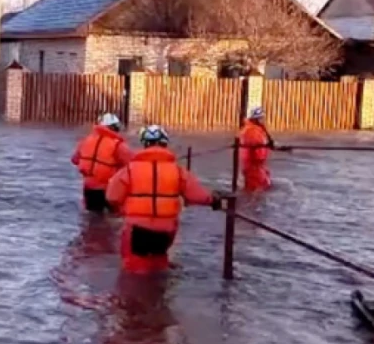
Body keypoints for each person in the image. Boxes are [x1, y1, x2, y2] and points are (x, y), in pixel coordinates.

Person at [105, 125, 223, 274]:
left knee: (133, 271)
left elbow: (111, 196)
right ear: (165, 144)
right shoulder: (178, 171)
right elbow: (197, 195)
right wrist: (213, 200)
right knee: (159, 266)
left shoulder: (128, 170)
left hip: (136, 231)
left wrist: (122, 208)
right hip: (165, 231)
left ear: (145, 144)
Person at [71, 113, 133, 213]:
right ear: (114, 128)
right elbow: (132, 165)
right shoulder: (118, 145)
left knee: (92, 217)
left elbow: (75, 160)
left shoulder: (86, 141)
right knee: (112, 219)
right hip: (109, 188)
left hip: (88, 188)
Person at [238, 107, 275, 192]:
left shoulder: (253, 129)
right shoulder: (253, 131)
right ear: (257, 118)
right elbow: (259, 154)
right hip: (254, 167)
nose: (263, 119)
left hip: (254, 166)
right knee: (256, 191)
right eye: (261, 117)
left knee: (255, 189)